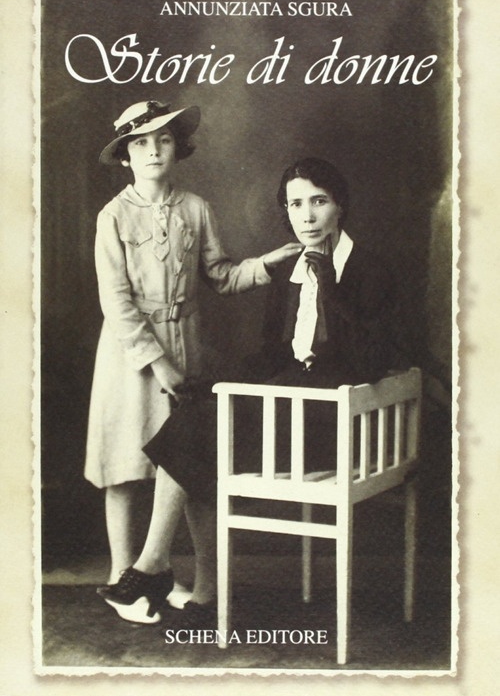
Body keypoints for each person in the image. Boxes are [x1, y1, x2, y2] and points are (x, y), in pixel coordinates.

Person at [98, 156, 411, 625]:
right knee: (196, 419)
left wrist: (331, 289)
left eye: (318, 202)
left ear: (340, 206)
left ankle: (153, 568)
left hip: (341, 424)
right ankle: (176, 576)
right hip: (291, 409)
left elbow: (371, 363)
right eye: (295, 205)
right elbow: (273, 356)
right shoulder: (291, 270)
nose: (306, 216)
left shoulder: (370, 270)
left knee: (197, 434)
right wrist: (217, 382)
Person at [85, 99, 302, 616]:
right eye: (141, 143)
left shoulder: (196, 208)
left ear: (178, 147)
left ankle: (206, 586)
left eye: (163, 140)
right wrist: (156, 361)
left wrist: (267, 264)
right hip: (129, 354)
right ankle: (124, 579)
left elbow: (221, 276)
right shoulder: (113, 215)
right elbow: (116, 300)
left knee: (192, 468)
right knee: (125, 467)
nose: (153, 151)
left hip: (185, 344)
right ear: (125, 156)